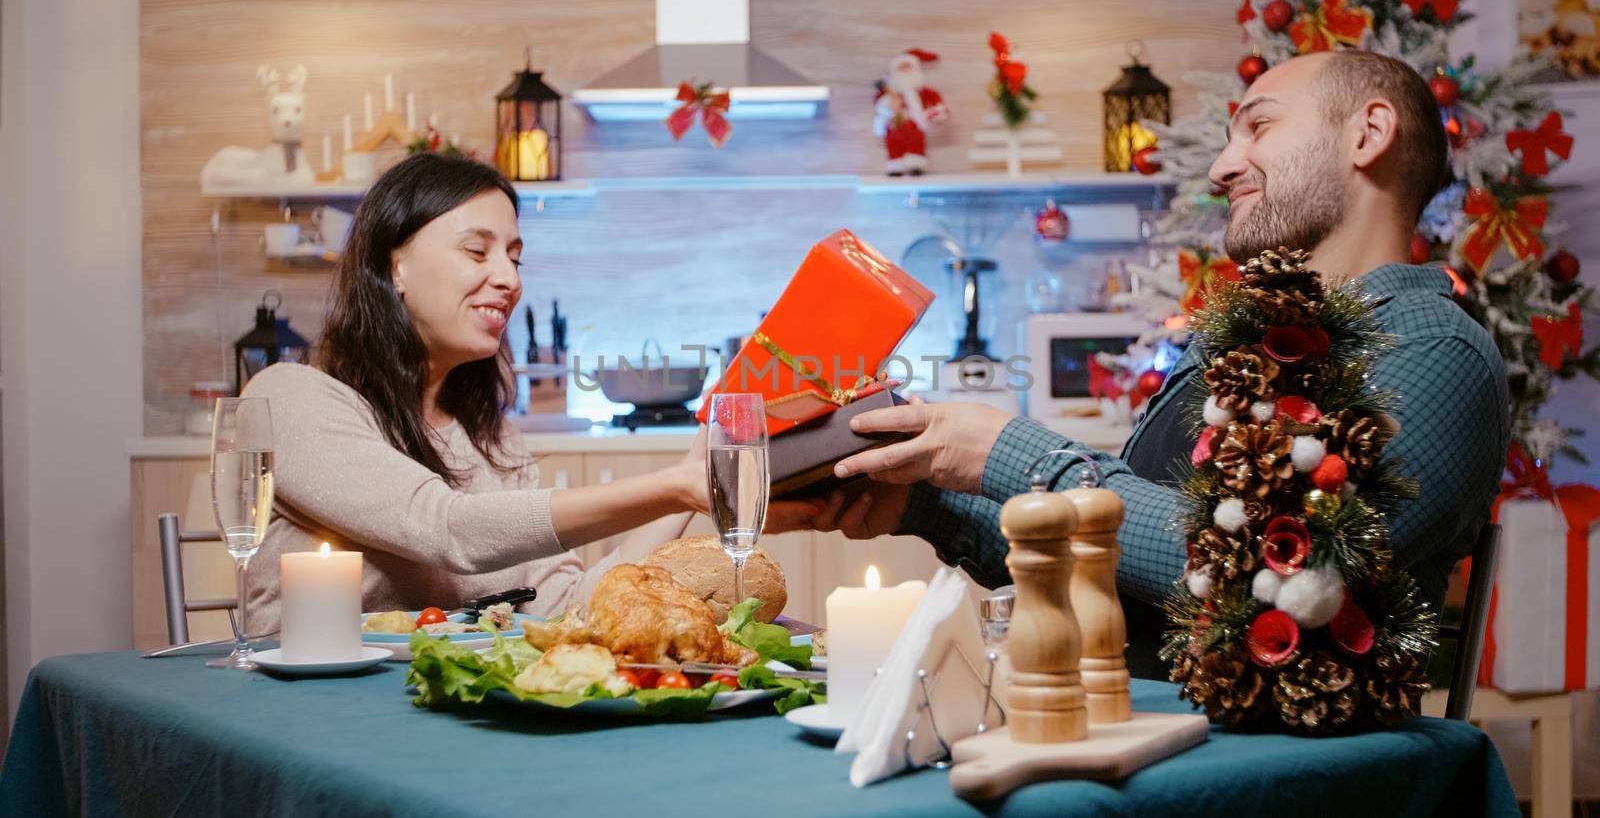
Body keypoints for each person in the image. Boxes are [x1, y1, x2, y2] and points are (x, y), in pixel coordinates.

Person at [782, 50, 1510, 677]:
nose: (1224, 166)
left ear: (1369, 134)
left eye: (1258, 126)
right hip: (1143, 733)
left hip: (1274, 771)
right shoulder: (1235, 350)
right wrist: (921, 499)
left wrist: (1009, 452)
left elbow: (1277, 580)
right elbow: (1133, 574)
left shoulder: (1429, 348)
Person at [243, 153, 813, 633]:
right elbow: (446, 528)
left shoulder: (492, 441)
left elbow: (569, 609)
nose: (510, 278)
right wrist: (674, 489)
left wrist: (697, 471)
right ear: (394, 265)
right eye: (477, 251)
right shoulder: (288, 399)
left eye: (514, 257)